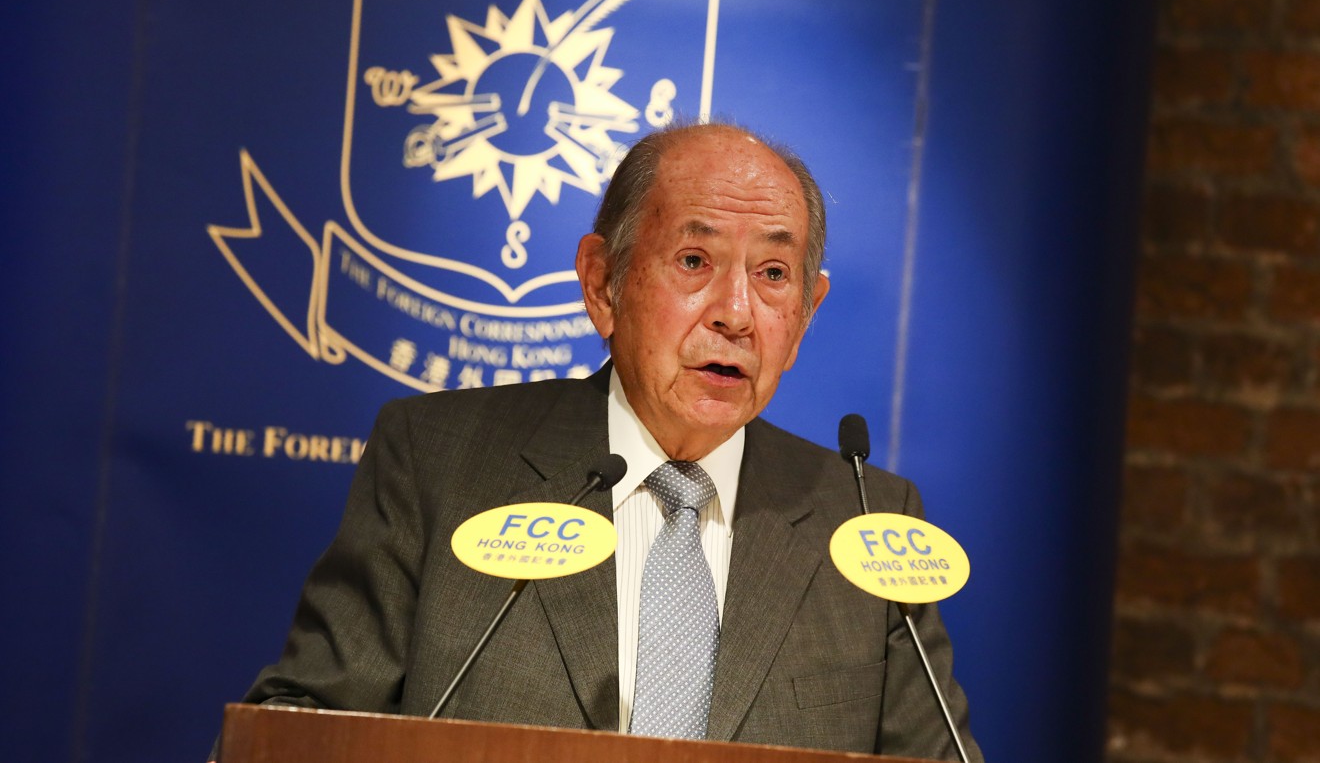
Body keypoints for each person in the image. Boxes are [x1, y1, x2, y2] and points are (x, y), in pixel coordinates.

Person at [218, 121, 981, 761]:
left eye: (774, 274)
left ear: (806, 313)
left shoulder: (869, 524)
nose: (737, 313)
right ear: (601, 282)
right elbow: (303, 726)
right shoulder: (439, 461)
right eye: (694, 261)